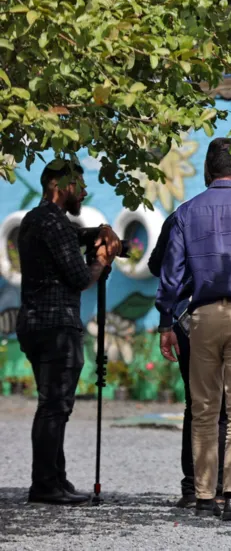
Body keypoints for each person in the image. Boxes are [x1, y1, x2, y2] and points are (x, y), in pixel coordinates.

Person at [156, 138, 231, 521]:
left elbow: (170, 274)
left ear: (209, 169)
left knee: (204, 409)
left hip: (202, 318)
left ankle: (204, 496)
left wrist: (165, 322)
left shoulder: (185, 212)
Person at [16, 159, 121, 505]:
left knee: (52, 404)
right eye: (79, 184)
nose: (85, 191)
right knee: (55, 406)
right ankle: (46, 484)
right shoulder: (53, 224)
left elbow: (76, 235)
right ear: (60, 186)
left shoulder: (36, 219)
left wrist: (100, 230)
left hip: (34, 323)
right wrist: (102, 260)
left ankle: (54, 477)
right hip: (57, 325)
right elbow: (79, 278)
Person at [149, 193, 231, 511]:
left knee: (198, 402)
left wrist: (167, 318)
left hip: (185, 317)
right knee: (226, 405)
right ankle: (219, 488)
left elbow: (157, 266)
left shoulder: (183, 214)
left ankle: (194, 487)